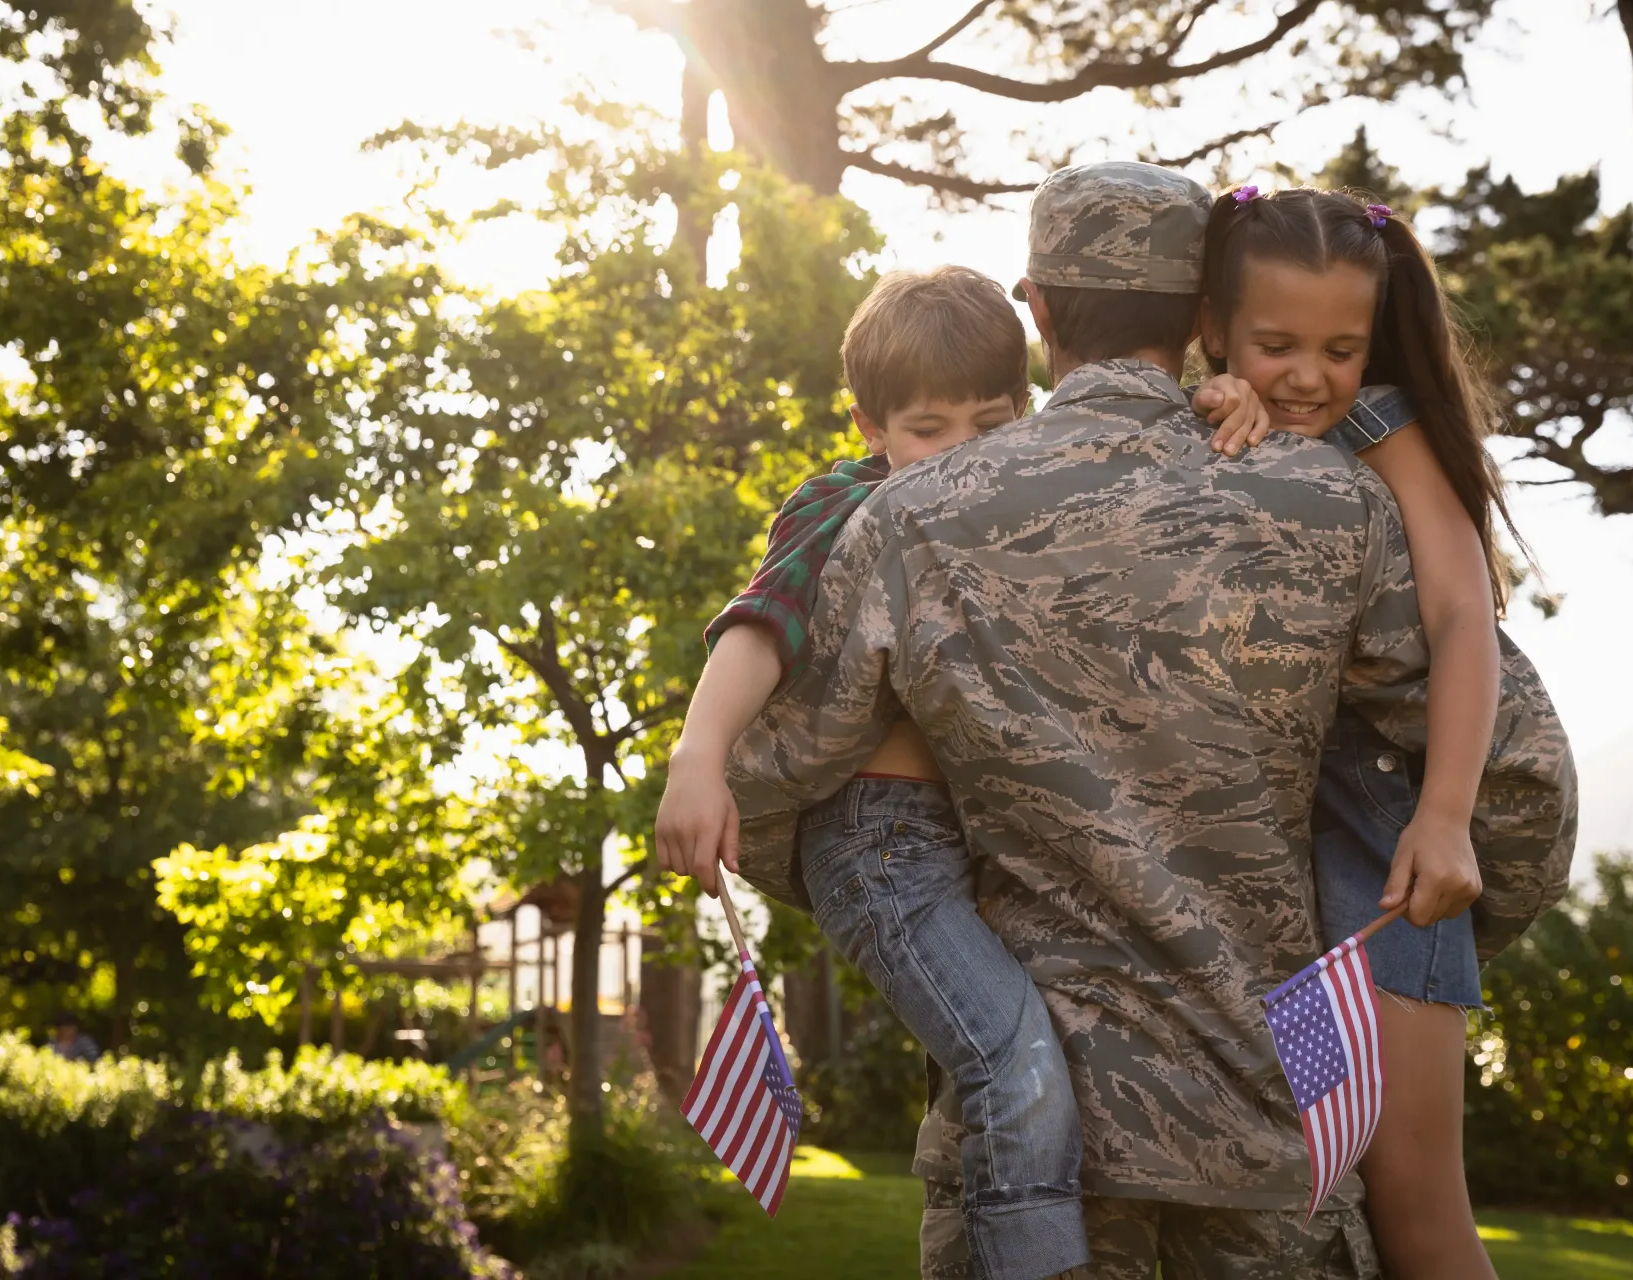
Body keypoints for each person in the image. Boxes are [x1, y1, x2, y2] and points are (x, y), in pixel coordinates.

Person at [718, 160, 1576, 1278]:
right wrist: (1411, 921)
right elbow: (1524, 775)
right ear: (1203, 315)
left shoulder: (912, 517)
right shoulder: (1332, 500)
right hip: (1270, 1138)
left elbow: (773, 775)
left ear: (1034, 305)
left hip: (1033, 1168)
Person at [656, 264, 1268, 1280]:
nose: (962, 453)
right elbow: (760, 627)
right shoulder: (848, 501)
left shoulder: (1027, 500)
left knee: (1032, 1064)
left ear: (1025, 408)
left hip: (990, 843)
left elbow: (1139, 495)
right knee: (1014, 1065)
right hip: (881, 846)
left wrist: (1213, 397)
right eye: (929, 431)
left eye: (991, 421)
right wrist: (698, 757)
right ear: (870, 427)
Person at [1193, 184, 1522, 1277]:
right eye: (1275, 344)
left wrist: (1446, 817)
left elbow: (1464, 613)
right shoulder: (1198, 417)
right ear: (1215, 327)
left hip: (1386, 860)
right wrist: (1211, 401)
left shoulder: (1382, 432)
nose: (1310, 377)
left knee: (1415, 1205)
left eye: (1343, 347)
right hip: (1277, 867)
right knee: (1322, 1196)